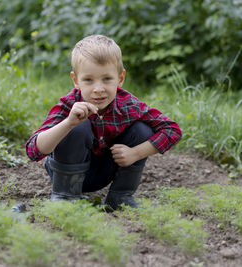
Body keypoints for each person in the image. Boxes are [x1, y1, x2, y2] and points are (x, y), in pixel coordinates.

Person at [26, 34, 182, 210]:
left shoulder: (128, 105)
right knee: (78, 126)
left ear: (120, 78)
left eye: (107, 79)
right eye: (88, 80)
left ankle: (120, 197)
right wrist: (68, 123)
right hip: (65, 173)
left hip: (105, 170)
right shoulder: (69, 105)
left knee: (142, 129)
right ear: (76, 80)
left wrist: (136, 153)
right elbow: (33, 150)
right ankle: (65, 198)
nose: (98, 89)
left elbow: (172, 130)